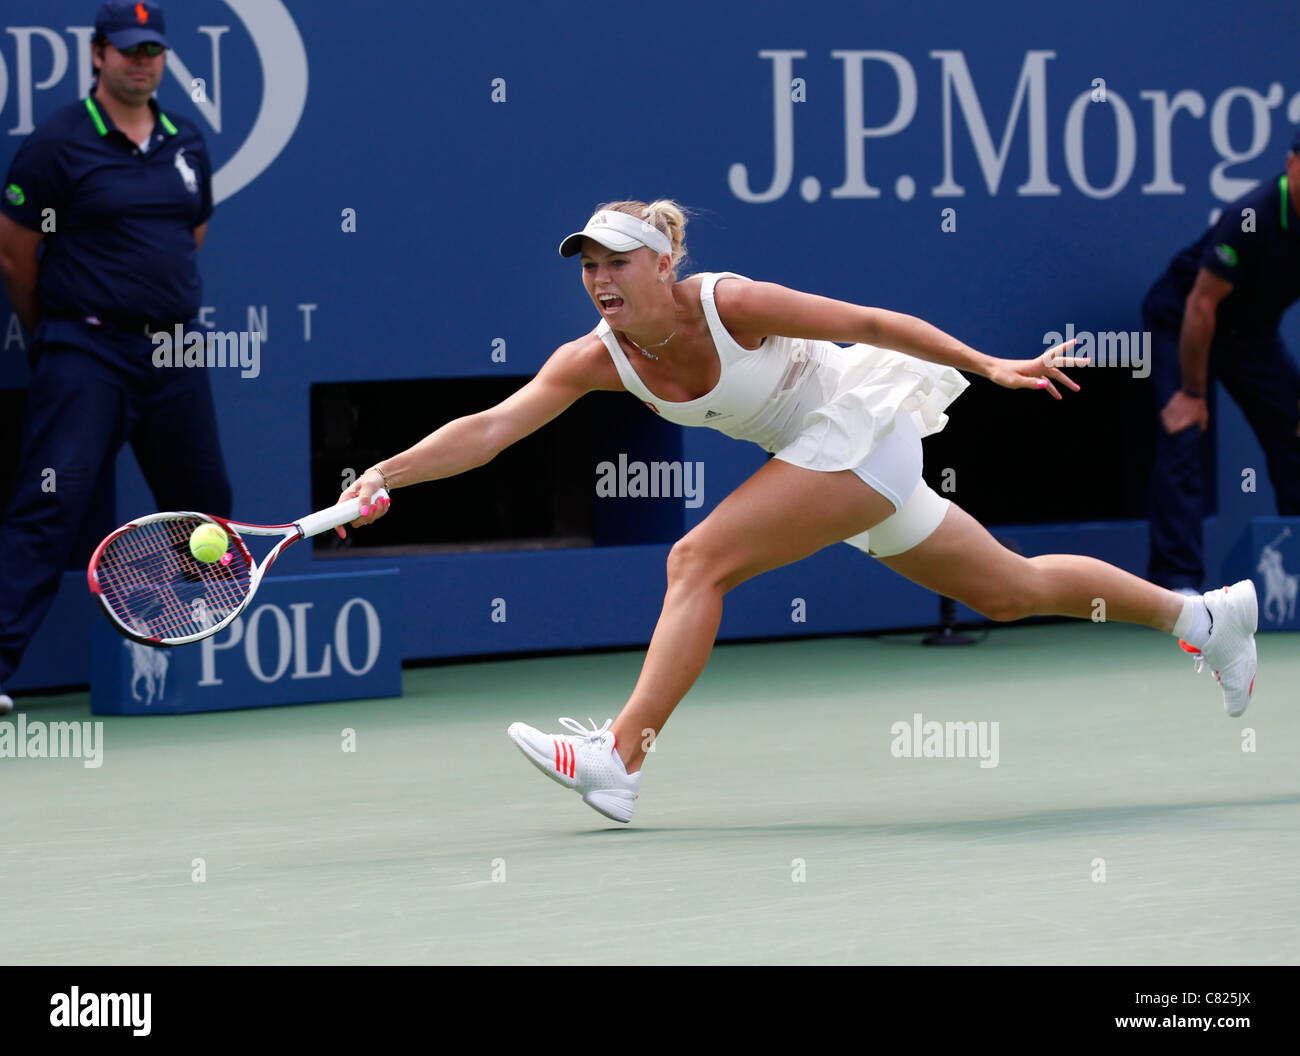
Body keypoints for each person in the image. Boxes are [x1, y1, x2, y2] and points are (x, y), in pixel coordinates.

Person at [342, 200, 1259, 824]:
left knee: (696, 561)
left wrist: (987, 365)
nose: (600, 280)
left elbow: (861, 322)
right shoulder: (595, 355)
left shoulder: (729, 303)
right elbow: (492, 430)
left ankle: (622, 757)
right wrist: (383, 471)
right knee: (1009, 592)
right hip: (831, 468)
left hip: (854, 430)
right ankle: (1208, 618)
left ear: (663, 263)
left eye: (618, 262)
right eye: (588, 266)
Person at [0, 2, 230, 714]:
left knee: (208, 513)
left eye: (153, 49)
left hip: (172, 350)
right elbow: (15, 252)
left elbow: (187, 235)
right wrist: (66, 331)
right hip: (85, 351)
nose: (142, 61)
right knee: (47, 508)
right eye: (128, 49)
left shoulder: (185, 140)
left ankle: (202, 658)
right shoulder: (57, 143)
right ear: (98, 54)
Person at [1143, 131, 1300, 595]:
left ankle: (1296, 563)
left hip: (1251, 334)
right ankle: (1179, 587)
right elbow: (1201, 305)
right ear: (1293, 164)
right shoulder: (1250, 216)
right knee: (1183, 432)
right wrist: (1192, 394)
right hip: (1182, 320)